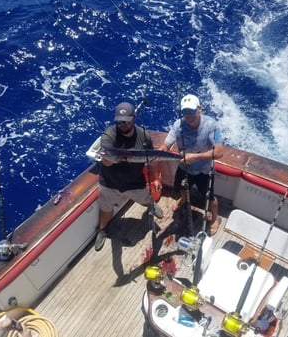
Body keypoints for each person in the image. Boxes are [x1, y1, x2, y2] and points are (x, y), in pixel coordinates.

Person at [95, 102, 164, 251]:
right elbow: (106, 161)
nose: (122, 124)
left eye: (126, 121)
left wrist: (156, 178)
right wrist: (109, 160)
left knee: (146, 199)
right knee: (106, 209)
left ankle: (152, 206)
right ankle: (102, 230)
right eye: (119, 121)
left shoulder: (144, 136)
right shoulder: (109, 135)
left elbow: (151, 160)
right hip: (109, 183)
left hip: (134, 182)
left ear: (134, 118)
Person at [159, 94, 223, 236]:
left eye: (192, 111)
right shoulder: (178, 125)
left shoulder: (211, 125)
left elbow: (219, 152)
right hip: (184, 168)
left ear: (199, 109)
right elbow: (166, 144)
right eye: (185, 112)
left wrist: (196, 157)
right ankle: (184, 199)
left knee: (210, 198)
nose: (188, 115)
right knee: (181, 188)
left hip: (204, 170)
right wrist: (162, 149)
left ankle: (215, 219)